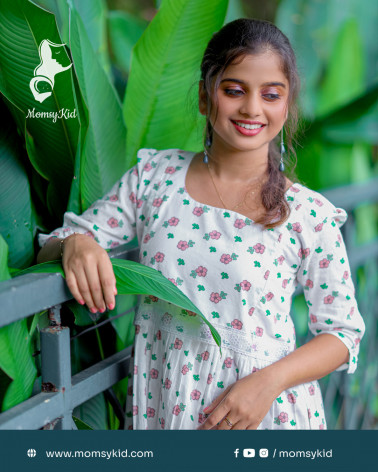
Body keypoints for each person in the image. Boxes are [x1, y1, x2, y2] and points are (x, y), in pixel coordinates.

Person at [37, 18, 365, 430]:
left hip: (264, 415)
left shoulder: (306, 213)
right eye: (234, 90)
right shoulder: (155, 178)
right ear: (205, 98)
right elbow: (58, 240)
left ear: (286, 105)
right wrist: (77, 244)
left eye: (271, 95)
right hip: (164, 401)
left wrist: (269, 382)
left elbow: (342, 332)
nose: (252, 108)